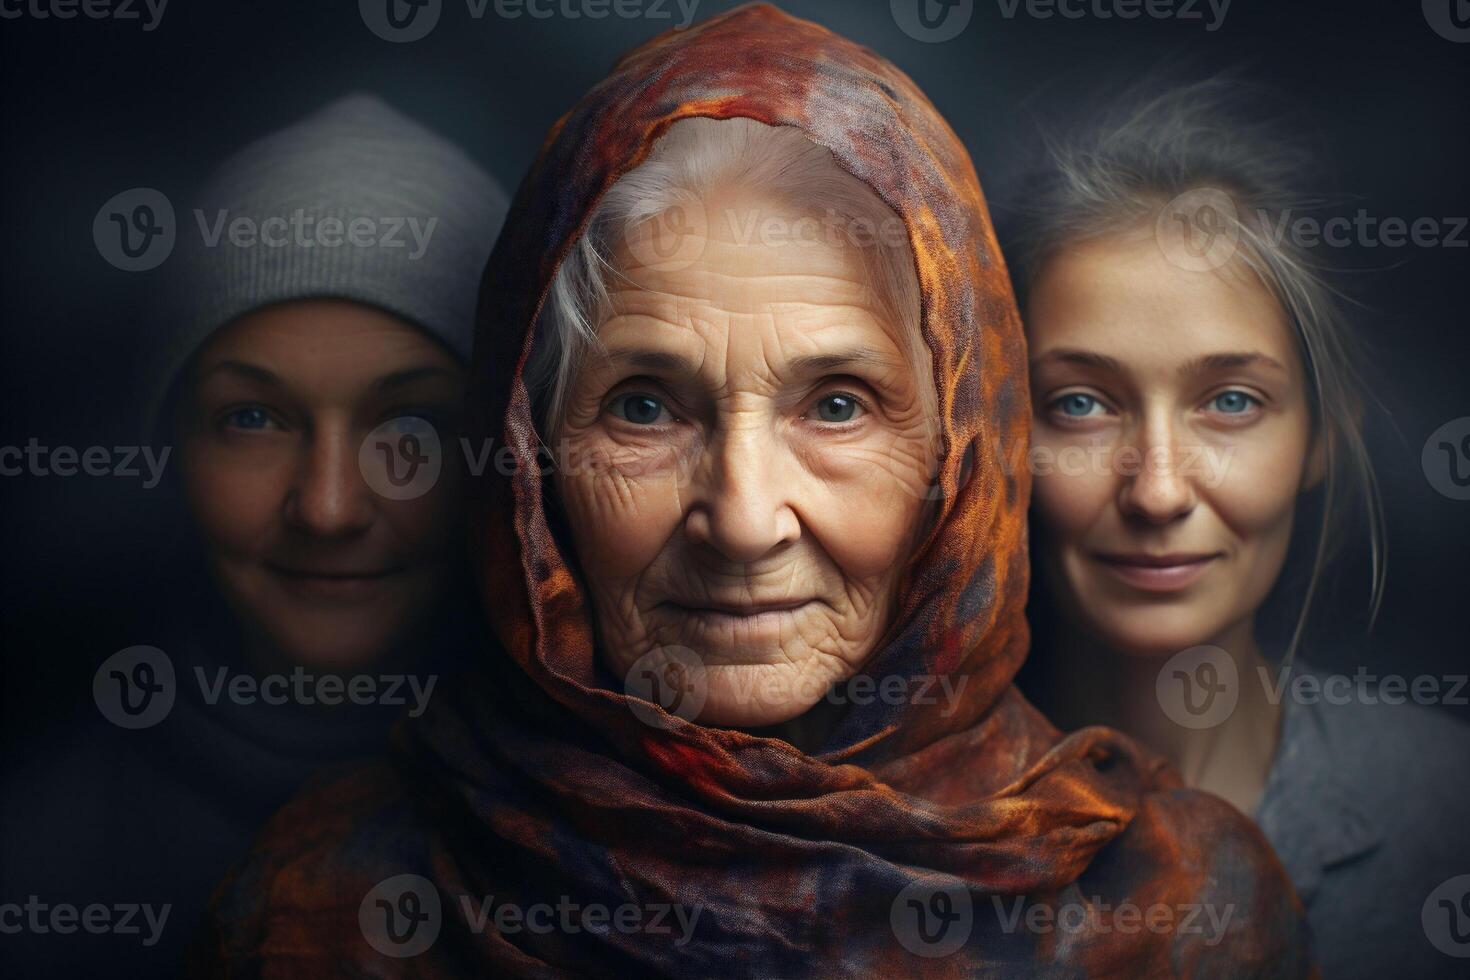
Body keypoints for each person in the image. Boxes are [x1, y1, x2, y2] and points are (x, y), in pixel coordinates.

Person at [195, 7, 1312, 976]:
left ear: (960, 461)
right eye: (644, 405)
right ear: (532, 457)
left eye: (836, 405)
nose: (741, 520)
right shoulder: (329, 907)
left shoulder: (1184, 911)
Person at [0, 93, 507, 977]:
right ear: (174, 445)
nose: (328, 507)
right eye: (252, 419)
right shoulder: (36, 860)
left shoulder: (638, 828)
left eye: (412, 429)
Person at [1004, 81, 1470, 978]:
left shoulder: (1447, 816)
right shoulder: (873, 837)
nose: (1159, 492)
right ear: (1000, 434)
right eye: (1081, 403)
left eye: (1230, 401)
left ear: (1323, 437)